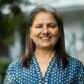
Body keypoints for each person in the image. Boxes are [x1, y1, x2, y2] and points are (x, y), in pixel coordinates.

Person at [4, 4, 84, 84]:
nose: (45, 31)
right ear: (30, 33)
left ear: (59, 31)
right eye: (39, 26)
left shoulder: (75, 68)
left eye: (51, 26)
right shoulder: (14, 69)